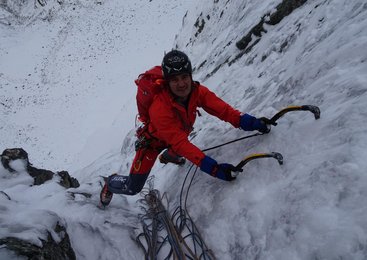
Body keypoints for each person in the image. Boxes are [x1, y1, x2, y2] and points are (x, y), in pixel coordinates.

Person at [100, 50, 270, 207]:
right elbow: (181, 143)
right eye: (174, 79)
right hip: (153, 143)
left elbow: (224, 111)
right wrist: (214, 169)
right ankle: (110, 182)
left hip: (179, 132)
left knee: (178, 146)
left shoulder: (198, 92)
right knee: (133, 187)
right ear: (167, 82)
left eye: (184, 77)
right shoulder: (160, 109)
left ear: (190, 76)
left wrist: (251, 123)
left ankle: (169, 155)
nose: (181, 84)